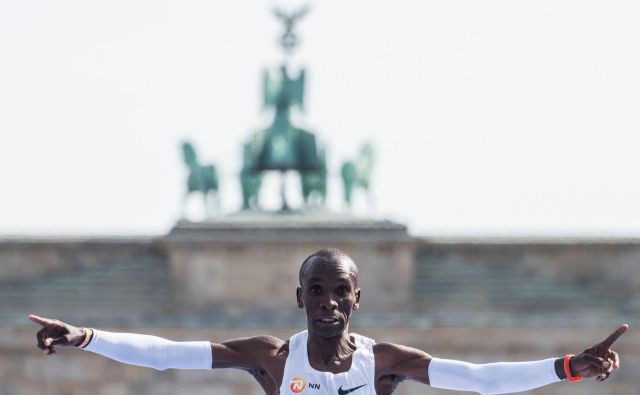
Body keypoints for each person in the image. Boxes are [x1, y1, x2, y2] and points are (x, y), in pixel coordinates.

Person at [31, 247, 628, 395]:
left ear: (356, 298)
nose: (328, 302)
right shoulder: (270, 357)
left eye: (340, 291)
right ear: (300, 298)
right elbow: (166, 353)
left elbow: (479, 377)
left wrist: (570, 368)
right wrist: (85, 337)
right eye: (316, 291)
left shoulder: (383, 364)